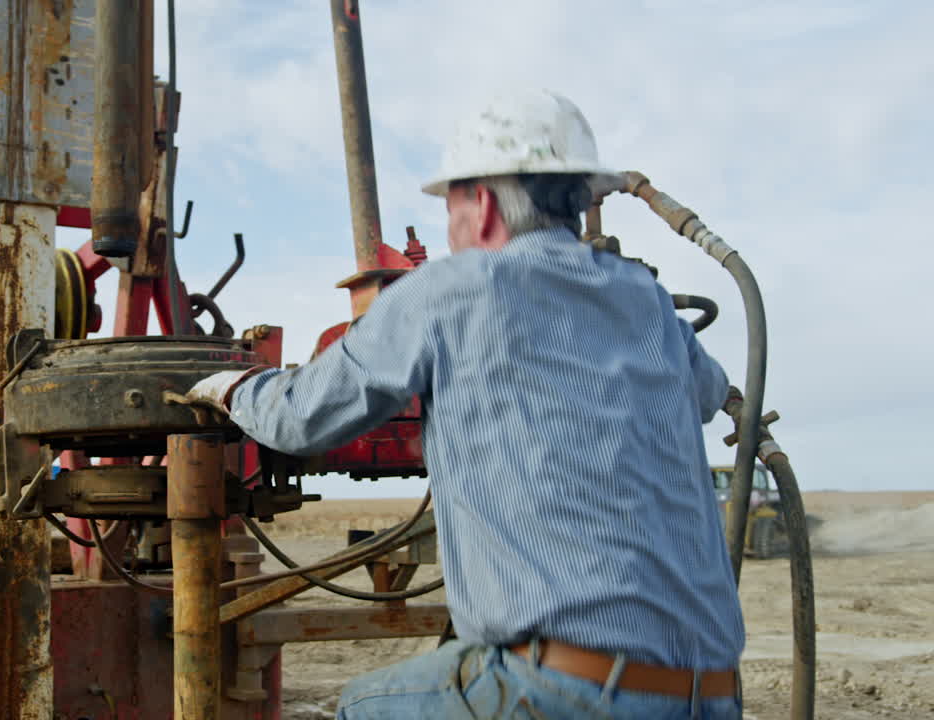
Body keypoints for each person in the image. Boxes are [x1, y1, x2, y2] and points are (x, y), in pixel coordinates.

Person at [187, 88, 744, 719]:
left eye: (450, 208)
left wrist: (232, 387)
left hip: (568, 693)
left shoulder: (456, 287)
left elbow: (302, 417)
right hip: (711, 693)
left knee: (364, 707)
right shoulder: (647, 297)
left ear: (481, 204)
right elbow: (708, 392)